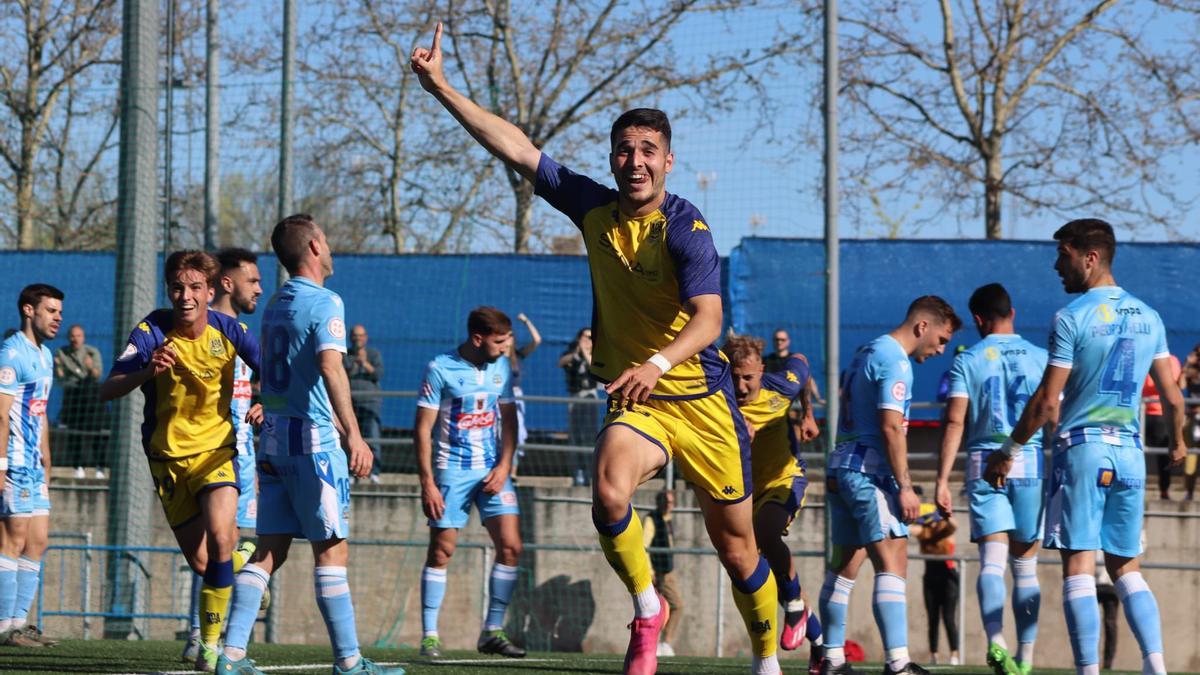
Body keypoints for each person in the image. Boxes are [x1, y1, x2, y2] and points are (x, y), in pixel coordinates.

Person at [414, 25, 783, 675]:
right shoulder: (594, 208)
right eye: (623, 150)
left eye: (648, 150)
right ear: (612, 159)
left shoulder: (686, 229)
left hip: (701, 400)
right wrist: (443, 86)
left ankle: (766, 659)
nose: (634, 160)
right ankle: (647, 608)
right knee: (609, 494)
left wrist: (659, 362)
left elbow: (710, 319)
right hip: (641, 402)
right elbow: (520, 149)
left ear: (668, 161)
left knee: (737, 550)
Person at [989, 219, 1186, 675]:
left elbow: (1044, 402)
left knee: (1078, 566)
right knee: (1127, 568)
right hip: (1131, 453)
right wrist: (1176, 443)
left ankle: (1087, 671)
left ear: (1089, 257)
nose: (1057, 266)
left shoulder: (1071, 318)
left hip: (1083, 450)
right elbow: (1173, 398)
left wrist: (1009, 449)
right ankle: (1156, 666)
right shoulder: (1148, 316)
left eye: (1063, 255)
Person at [215, 215, 401, 675]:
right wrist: (354, 434)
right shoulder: (325, 301)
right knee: (332, 551)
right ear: (315, 246)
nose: (331, 247)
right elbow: (331, 368)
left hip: (274, 442)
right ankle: (349, 661)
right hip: (313, 444)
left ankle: (232, 654)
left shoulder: (276, 302)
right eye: (328, 240)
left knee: (268, 550)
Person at [100, 252, 261, 671]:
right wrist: (146, 371)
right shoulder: (152, 330)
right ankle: (243, 556)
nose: (185, 296)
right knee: (207, 563)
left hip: (217, 453)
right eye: (177, 287)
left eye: (194, 288)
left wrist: (266, 402)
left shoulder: (232, 331)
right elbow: (109, 388)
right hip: (167, 459)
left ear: (211, 291)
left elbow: (274, 373)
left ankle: (209, 649)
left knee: (221, 539)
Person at [820, 295, 961, 675]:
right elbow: (890, 426)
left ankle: (830, 659)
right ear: (922, 327)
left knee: (844, 565)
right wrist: (905, 485)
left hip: (841, 466)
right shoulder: (896, 360)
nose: (941, 349)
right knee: (894, 557)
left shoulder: (867, 350)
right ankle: (898, 663)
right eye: (942, 339)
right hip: (868, 473)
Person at [934, 282, 1047, 675]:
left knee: (992, 563)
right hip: (1028, 460)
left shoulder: (968, 360)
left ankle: (997, 642)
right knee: (1026, 567)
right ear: (1012, 312)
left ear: (979, 320)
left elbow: (954, 421)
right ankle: (1027, 657)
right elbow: (1051, 412)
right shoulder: (1040, 357)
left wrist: (942, 480)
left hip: (985, 459)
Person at [415, 306, 526, 660]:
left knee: (511, 547)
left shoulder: (502, 368)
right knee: (442, 551)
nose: (506, 346)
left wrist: (505, 465)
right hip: (451, 472)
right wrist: (428, 483)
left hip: (493, 471)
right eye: (500, 341)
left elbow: (509, 422)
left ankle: (492, 631)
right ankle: (430, 635)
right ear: (478, 339)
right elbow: (421, 430)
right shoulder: (440, 368)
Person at [180, 248, 264, 664]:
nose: (260, 289)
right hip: (208, 453)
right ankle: (203, 637)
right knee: (218, 548)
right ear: (227, 284)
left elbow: (263, 381)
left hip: (242, 452)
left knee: (226, 545)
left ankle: (211, 640)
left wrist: (266, 402)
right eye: (253, 281)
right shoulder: (201, 330)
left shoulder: (243, 333)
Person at [723, 335, 824, 667]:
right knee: (757, 573)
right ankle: (821, 644)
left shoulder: (781, 385)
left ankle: (795, 606)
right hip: (742, 493)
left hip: (785, 479)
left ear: (761, 370)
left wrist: (808, 413)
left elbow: (801, 362)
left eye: (748, 377)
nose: (740, 385)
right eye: (734, 376)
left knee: (767, 533)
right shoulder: (718, 399)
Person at [0, 284, 63, 648]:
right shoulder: (11, 353)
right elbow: (1, 416)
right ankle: (4, 626)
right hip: (15, 463)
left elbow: (39, 413)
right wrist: (2, 464)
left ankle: (19, 624)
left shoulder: (46, 355)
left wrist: (48, 454)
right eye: (51, 311)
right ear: (28, 310)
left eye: (59, 312)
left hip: (36, 466)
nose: (57, 318)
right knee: (13, 540)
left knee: (37, 542)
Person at [911, 493, 960, 667]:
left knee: (948, 617)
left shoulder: (945, 530)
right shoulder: (924, 532)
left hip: (948, 577)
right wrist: (923, 519)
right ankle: (934, 654)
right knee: (932, 618)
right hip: (930, 576)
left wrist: (944, 515)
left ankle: (955, 654)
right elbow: (911, 529)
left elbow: (954, 525)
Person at [53, 325, 106, 479]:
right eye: (72, 336)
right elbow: (61, 377)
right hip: (73, 397)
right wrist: (57, 367)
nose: (75, 339)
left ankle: (99, 467)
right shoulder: (62, 353)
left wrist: (90, 367)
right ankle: (78, 466)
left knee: (97, 431)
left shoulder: (91, 352)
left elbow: (97, 376)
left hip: (90, 398)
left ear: (83, 337)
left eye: (78, 336)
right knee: (74, 433)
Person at [641, 489, 683, 658]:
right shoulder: (652, 520)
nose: (668, 505)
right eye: (666, 502)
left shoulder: (668, 520)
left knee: (661, 609)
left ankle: (657, 644)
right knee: (676, 606)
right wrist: (650, 572)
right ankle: (663, 643)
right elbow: (645, 547)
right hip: (658, 573)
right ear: (658, 503)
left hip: (667, 571)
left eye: (671, 502)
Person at [345, 324, 385, 483]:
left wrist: (365, 363)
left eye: (361, 335)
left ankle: (374, 472)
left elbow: (379, 374)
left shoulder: (374, 354)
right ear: (350, 338)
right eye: (355, 335)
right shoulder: (344, 355)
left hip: (370, 402)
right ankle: (352, 472)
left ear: (366, 337)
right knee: (350, 438)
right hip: (349, 404)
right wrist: (355, 363)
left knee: (372, 437)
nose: (358, 339)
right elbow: (340, 375)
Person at [559, 328, 599, 484]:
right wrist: (577, 350)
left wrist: (585, 350)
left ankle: (590, 474)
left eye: (590, 337)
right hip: (575, 396)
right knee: (575, 437)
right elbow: (561, 362)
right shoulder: (572, 352)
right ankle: (577, 475)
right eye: (585, 337)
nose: (587, 340)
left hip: (590, 396)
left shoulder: (596, 354)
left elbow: (594, 368)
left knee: (589, 437)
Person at [1144, 353, 1182, 499]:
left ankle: (1164, 490)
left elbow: (1171, 385)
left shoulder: (1172, 360)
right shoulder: (1144, 356)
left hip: (1161, 414)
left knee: (1164, 455)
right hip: (1140, 411)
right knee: (1136, 452)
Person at [507, 312, 541, 475]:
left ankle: (513, 472)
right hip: (498, 397)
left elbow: (536, 340)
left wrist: (526, 321)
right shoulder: (494, 358)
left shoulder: (519, 355)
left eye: (510, 337)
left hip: (515, 396)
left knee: (517, 433)